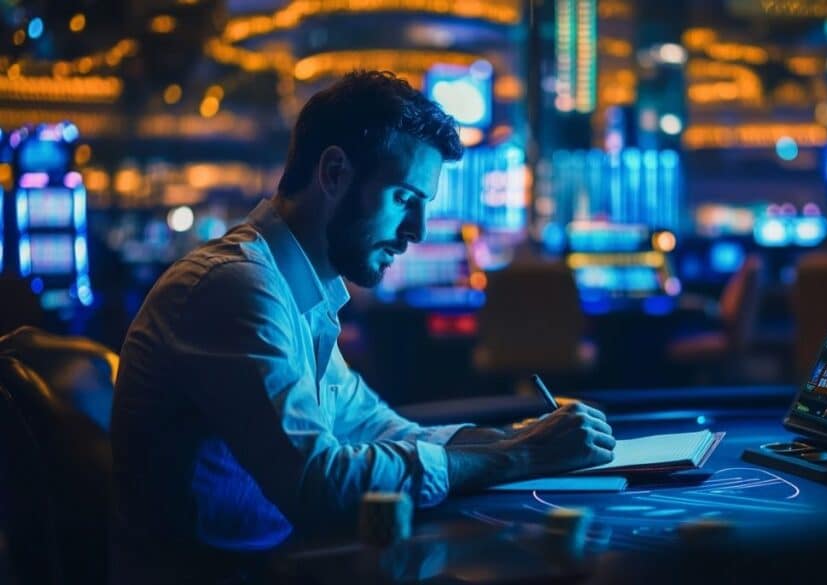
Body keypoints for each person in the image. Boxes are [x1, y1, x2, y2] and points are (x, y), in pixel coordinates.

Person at [110, 70, 616, 583]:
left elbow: (380, 429)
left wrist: (516, 437)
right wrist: (519, 456)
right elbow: (320, 486)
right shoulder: (233, 287)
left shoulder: (297, 290)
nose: (416, 231)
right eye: (403, 199)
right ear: (333, 172)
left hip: (275, 564)